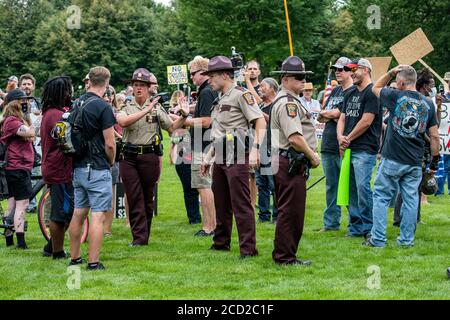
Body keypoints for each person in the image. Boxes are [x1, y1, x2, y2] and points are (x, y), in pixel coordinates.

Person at [366, 65, 440, 247]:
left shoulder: (395, 96)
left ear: (400, 81)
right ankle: (406, 241)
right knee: (411, 200)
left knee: (381, 197)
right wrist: (434, 162)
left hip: (392, 157)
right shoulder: (428, 103)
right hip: (414, 161)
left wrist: (390, 71)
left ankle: (378, 239)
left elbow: (375, 87)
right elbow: (435, 136)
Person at [200, 56, 266, 259]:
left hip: (238, 154)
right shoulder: (219, 98)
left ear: (223, 75)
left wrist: (255, 149)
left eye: (211, 76)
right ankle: (221, 242)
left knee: (241, 203)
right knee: (221, 201)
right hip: (220, 155)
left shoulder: (241, 95)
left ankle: (248, 249)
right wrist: (208, 156)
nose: (209, 80)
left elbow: (260, 121)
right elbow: (219, 132)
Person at [116, 68, 189, 247]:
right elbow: (123, 122)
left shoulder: (157, 108)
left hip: (149, 156)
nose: (138, 88)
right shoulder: (126, 106)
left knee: (148, 197)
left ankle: (144, 235)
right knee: (134, 197)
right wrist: (147, 108)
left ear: (149, 88)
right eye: (136, 85)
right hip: (129, 157)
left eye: (142, 85)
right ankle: (139, 238)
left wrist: (184, 116)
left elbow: (172, 128)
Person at [269, 56, 320, 265]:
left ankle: (284, 254)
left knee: (288, 210)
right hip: (290, 161)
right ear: (286, 79)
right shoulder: (288, 103)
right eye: (299, 77)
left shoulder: (289, 100)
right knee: (291, 212)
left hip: (284, 161)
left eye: (304, 77)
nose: (303, 82)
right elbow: (295, 138)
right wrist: (313, 155)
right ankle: (285, 257)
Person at [68, 66, 117, 271]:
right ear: (106, 83)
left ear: (89, 80)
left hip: (78, 167)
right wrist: (111, 161)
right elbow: (110, 143)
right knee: (97, 215)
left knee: (79, 213)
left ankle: (75, 258)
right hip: (97, 167)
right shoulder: (103, 107)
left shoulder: (77, 103)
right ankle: (93, 262)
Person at [337, 58, 381, 238]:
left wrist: (348, 138)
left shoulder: (373, 93)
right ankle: (355, 227)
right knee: (351, 189)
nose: (351, 73)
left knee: (363, 188)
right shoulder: (350, 93)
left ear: (366, 70)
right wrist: (340, 137)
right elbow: (342, 118)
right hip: (348, 147)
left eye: (354, 69)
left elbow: (367, 121)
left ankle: (368, 228)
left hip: (364, 149)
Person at [317, 57, 354, 232]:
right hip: (328, 143)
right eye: (336, 69)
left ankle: (356, 223)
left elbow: (337, 113)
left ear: (350, 71)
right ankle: (331, 223)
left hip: (345, 145)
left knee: (349, 186)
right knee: (331, 186)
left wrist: (329, 113)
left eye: (342, 69)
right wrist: (329, 113)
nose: (337, 72)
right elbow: (325, 114)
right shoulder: (336, 91)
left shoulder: (353, 92)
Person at [40, 76, 74, 259]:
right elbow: (69, 140)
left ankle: (51, 246)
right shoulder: (56, 115)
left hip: (56, 167)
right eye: (68, 90)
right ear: (61, 93)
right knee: (62, 213)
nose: (70, 93)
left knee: (66, 211)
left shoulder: (51, 113)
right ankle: (57, 251)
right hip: (59, 169)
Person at [183, 56, 217, 236]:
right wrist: (188, 109)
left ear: (203, 72)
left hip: (203, 145)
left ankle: (209, 226)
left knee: (203, 186)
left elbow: (205, 121)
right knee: (204, 186)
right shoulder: (208, 90)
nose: (192, 78)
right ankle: (211, 224)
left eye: (193, 74)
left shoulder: (205, 92)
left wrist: (184, 121)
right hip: (206, 144)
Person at [0, 89, 35, 249]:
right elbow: (30, 132)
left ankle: (9, 240)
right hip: (17, 166)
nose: (26, 103)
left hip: (15, 166)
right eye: (23, 100)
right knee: (23, 203)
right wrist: (35, 121)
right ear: (15, 103)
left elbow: (30, 134)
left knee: (13, 202)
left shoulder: (13, 120)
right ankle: (21, 242)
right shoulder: (12, 121)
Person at [168, 90, 201, 225]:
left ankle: (202, 217)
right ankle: (194, 218)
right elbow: (173, 132)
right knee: (189, 187)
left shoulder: (195, 110)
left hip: (196, 148)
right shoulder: (175, 113)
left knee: (201, 186)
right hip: (183, 150)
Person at [255, 77, 279, 223]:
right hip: (261, 147)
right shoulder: (261, 107)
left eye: (262, 86)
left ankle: (277, 216)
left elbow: (273, 121)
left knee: (274, 184)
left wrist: (257, 113)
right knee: (261, 184)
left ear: (272, 88)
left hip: (274, 148)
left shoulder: (277, 105)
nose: (259, 88)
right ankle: (263, 216)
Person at [19, 74, 41, 213]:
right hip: (21, 142)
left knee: (35, 175)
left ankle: (31, 205)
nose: (26, 86)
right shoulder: (15, 102)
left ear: (33, 86)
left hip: (37, 144)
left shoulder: (38, 102)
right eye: (24, 84)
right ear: (20, 85)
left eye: (29, 84)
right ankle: (27, 204)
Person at [102, 85, 122, 236]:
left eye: (110, 95)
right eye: (106, 95)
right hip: (101, 155)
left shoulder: (115, 112)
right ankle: (99, 227)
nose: (108, 98)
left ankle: (107, 229)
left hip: (112, 155)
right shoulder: (100, 111)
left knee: (111, 193)